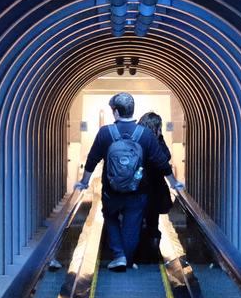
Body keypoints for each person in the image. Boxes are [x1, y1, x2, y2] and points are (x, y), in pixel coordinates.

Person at [75, 93, 184, 271]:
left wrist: (84, 181)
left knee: (110, 216)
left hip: (111, 191)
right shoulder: (146, 135)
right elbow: (161, 162)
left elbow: (92, 159)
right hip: (138, 191)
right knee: (132, 225)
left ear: (115, 112)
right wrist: (174, 182)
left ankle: (119, 255)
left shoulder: (105, 132)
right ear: (132, 110)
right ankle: (129, 259)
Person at [134, 112, 173, 263]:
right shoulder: (156, 142)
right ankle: (151, 254)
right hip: (154, 188)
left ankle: (136, 254)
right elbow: (166, 158)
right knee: (153, 222)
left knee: (135, 220)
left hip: (137, 187)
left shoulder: (135, 138)